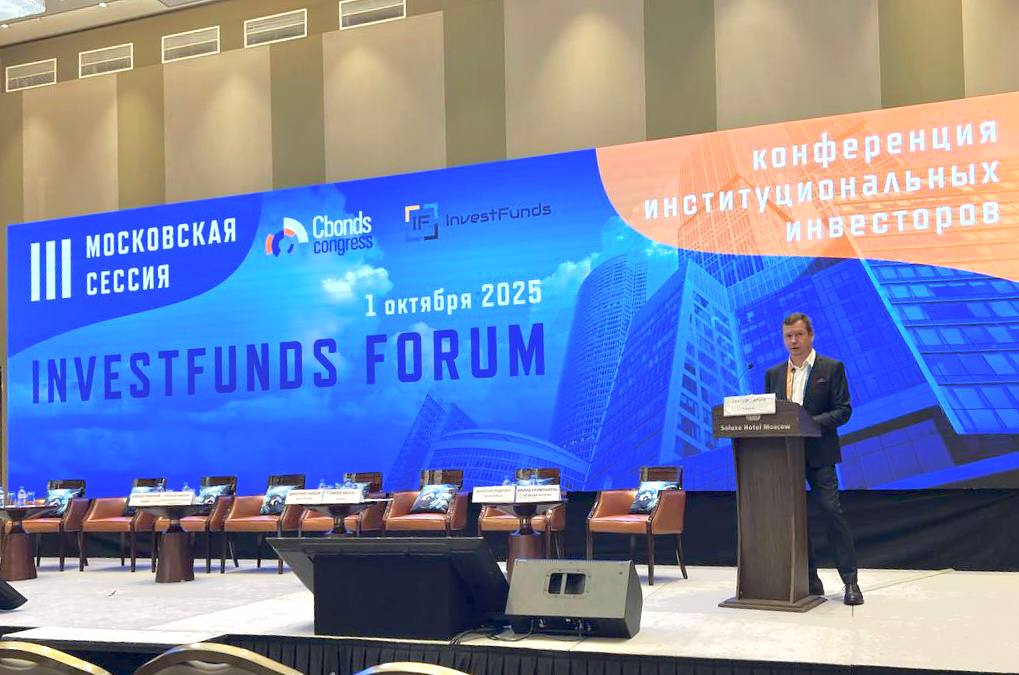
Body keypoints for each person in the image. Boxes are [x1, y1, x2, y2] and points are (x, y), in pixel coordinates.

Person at [764, 312, 863, 606]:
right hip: (786, 457)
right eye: (788, 336)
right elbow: (770, 413)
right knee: (795, 519)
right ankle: (809, 580)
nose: (793, 341)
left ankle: (851, 582)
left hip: (819, 454)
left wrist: (806, 423)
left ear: (810, 335)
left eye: (798, 335)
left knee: (831, 512)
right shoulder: (773, 374)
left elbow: (843, 410)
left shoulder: (831, 368)